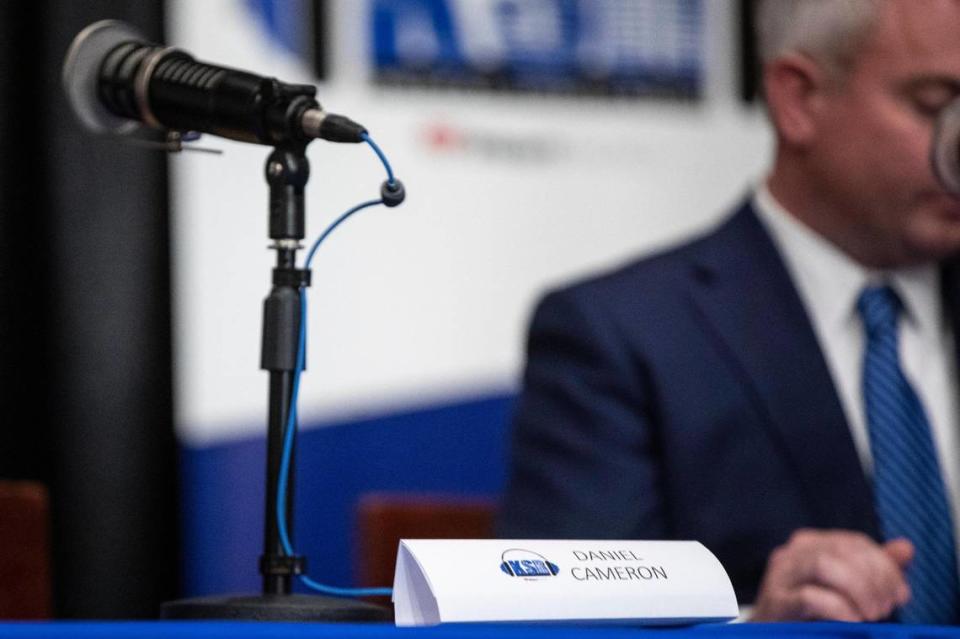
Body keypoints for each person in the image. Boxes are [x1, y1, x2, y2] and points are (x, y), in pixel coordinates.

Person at [498, 0, 960, 624]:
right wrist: (759, 629)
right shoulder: (621, 336)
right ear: (799, 100)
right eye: (936, 106)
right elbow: (567, 622)